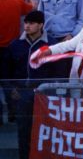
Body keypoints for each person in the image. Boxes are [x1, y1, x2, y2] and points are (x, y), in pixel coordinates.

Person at [9, 11, 54, 159]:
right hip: (22, 94)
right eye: (26, 23)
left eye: (31, 23)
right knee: (24, 131)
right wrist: (13, 88)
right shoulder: (15, 45)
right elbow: (8, 70)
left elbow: (58, 71)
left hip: (45, 95)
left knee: (47, 130)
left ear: (41, 25)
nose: (27, 26)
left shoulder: (52, 45)